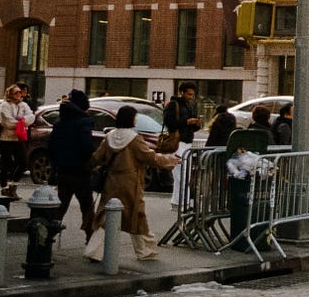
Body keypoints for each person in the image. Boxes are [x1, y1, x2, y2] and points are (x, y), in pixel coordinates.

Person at [84, 105, 180, 262]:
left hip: (111, 182)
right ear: (131, 119)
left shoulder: (109, 137)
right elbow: (150, 157)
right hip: (130, 183)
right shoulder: (134, 139)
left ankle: (94, 252)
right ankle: (145, 250)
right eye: (135, 116)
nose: (136, 119)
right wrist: (170, 160)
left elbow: (97, 158)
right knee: (137, 216)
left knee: (106, 218)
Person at [48, 89, 95, 241]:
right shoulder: (83, 122)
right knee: (87, 206)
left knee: (60, 206)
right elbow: (86, 146)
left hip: (63, 170)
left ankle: (47, 236)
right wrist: (90, 161)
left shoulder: (60, 122)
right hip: (80, 170)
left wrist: (56, 165)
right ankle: (90, 238)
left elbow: (51, 147)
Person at [164, 82, 201, 207]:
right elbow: (170, 123)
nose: (191, 97)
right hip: (178, 142)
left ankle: (180, 202)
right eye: (189, 94)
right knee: (180, 174)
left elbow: (191, 127)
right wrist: (186, 122)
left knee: (185, 175)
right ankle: (181, 202)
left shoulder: (190, 106)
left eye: (192, 94)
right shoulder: (173, 105)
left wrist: (196, 124)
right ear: (181, 92)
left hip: (187, 142)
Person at [0, 84, 35, 201]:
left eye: (20, 92)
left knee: (23, 162)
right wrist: (21, 122)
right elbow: (7, 122)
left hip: (18, 138)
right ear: (10, 94)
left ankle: (13, 185)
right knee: (6, 163)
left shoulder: (23, 105)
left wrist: (21, 121)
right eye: (16, 92)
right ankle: (4, 187)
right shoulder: (4, 105)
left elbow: (31, 117)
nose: (19, 94)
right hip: (6, 138)